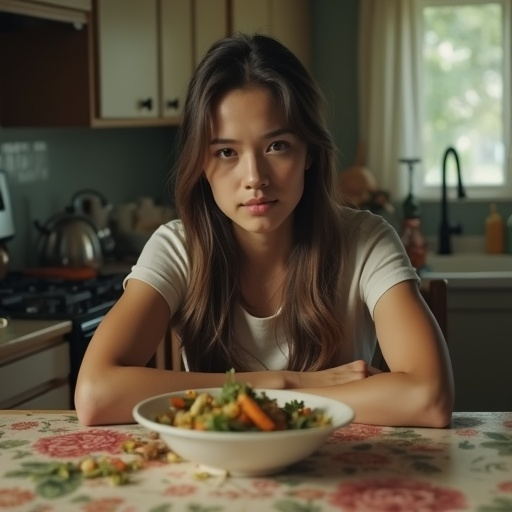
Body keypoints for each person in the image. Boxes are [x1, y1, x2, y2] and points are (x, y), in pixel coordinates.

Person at [75, 33, 454, 427]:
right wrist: (287, 383)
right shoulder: (178, 247)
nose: (254, 177)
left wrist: (264, 393)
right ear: (201, 164)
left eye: (277, 147)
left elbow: (429, 398)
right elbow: (95, 394)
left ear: (309, 151)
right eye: (226, 152)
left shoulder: (365, 240)